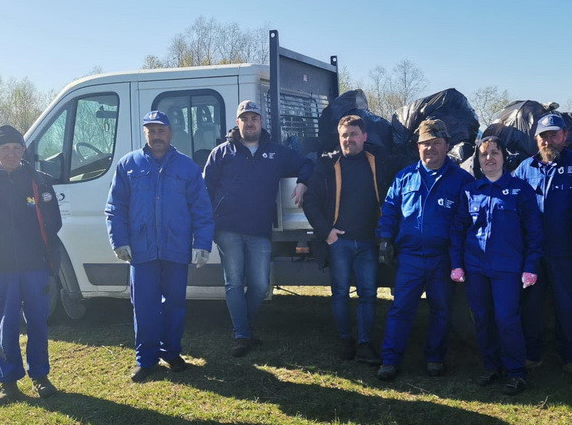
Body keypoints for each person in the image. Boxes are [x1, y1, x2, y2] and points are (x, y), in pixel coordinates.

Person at [105, 111, 214, 382]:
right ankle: (146, 360)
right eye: (151, 131)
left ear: (170, 133)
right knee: (144, 306)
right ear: (145, 134)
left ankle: (171, 352)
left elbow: (201, 208)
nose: (156, 136)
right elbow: (115, 207)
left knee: (175, 304)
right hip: (141, 250)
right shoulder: (129, 164)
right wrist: (119, 241)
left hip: (176, 247)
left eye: (161, 131)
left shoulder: (187, 167)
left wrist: (202, 243)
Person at [203, 100, 312, 357]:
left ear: (261, 122)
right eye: (244, 118)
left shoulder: (276, 152)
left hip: (260, 229)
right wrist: (207, 226)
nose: (249, 123)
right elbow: (204, 190)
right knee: (233, 283)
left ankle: (243, 327)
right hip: (227, 228)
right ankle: (241, 334)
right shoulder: (221, 153)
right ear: (237, 122)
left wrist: (302, 183)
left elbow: (307, 164)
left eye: (254, 118)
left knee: (261, 285)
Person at [0, 124, 62, 405]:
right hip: (1, 266)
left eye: (16, 148)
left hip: (35, 263)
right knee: (6, 322)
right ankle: (7, 381)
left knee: (38, 321)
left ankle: (40, 375)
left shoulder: (40, 180)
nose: (11, 153)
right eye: (5, 148)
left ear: (23, 150)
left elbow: (54, 221)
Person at [376, 119, 473, 380]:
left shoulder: (462, 180)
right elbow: (390, 209)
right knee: (401, 309)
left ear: (447, 145)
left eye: (436, 143)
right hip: (410, 258)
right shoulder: (404, 177)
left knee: (441, 310)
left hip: (443, 258)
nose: (430, 148)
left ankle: (434, 358)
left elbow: (467, 220)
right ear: (418, 147)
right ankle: (390, 360)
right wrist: (385, 239)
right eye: (425, 144)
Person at [451, 135, 543, 393]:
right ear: (478, 160)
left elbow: (534, 232)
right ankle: (491, 366)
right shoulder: (470, 191)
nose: (489, 158)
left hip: (507, 268)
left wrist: (531, 266)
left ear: (504, 157)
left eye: (494, 152)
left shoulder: (520, 190)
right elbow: (457, 229)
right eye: (484, 154)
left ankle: (515, 372)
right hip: (475, 268)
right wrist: (456, 263)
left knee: (507, 319)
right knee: (482, 318)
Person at [303, 115, 394, 363]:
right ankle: (345, 341)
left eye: (353, 134)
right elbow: (310, 201)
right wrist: (327, 232)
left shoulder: (378, 161)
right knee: (340, 293)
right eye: (344, 135)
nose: (348, 139)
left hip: (368, 242)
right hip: (339, 243)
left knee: (368, 295)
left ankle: (364, 345)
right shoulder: (327, 164)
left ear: (364, 136)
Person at [512, 114, 572, 381]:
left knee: (567, 304)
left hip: (565, 252)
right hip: (532, 253)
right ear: (536, 139)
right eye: (543, 136)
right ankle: (532, 355)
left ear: (564, 136)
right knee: (531, 305)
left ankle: (571, 358)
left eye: (554, 135)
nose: (548, 141)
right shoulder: (525, 168)